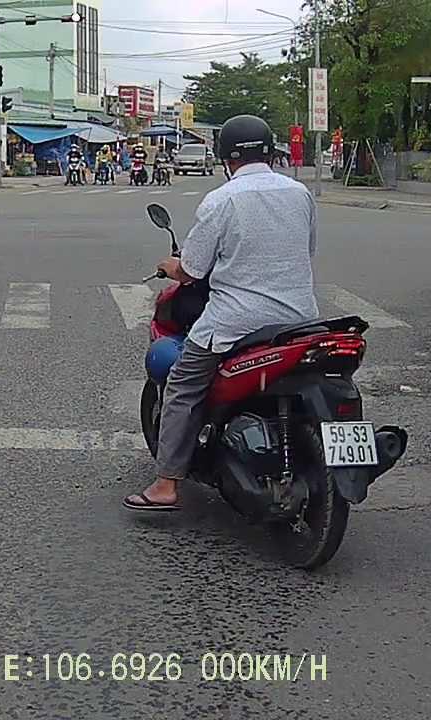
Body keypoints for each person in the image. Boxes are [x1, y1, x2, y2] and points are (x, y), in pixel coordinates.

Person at [123, 115, 318, 512]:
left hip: (236, 322)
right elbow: (307, 250)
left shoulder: (222, 199)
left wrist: (170, 265)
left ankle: (165, 485)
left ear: (226, 157)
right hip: (301, 320)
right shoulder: (300, 193)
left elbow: (192, 270)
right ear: (270, 153)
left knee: (182, 385)